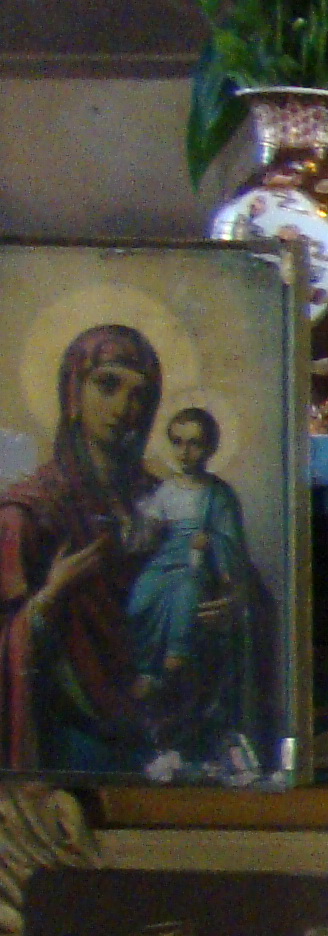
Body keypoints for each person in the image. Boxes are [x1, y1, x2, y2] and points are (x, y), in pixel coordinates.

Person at [0, 326, 165, 775]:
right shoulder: (28, 513)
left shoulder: (165, 503)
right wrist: (50, 597)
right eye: (107, 385)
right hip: (69, 741)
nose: (123, 408)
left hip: (160, 732)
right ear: (74, 390)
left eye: (139, 395)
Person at [120, 405, 272, 773]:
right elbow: (145, 532)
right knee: (139, 600)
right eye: (178, 443)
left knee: (187, 591)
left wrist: (213, 543)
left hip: (197, 565)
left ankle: (176, 653)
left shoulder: (218, 495)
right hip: (166, 560)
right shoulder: (165, 490)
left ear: (210, 448)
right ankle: (148, 668)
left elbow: (232, 545)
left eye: (195, 444)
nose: (185, 452)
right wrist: (140, 528)